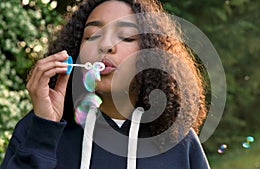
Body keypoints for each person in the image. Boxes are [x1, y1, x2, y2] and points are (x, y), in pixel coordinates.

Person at [0, 0, 210, 168]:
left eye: (126, 37)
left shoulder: (177, 141)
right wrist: (44, 130)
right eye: (92, 36)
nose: (106, 45)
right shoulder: (37, 128)